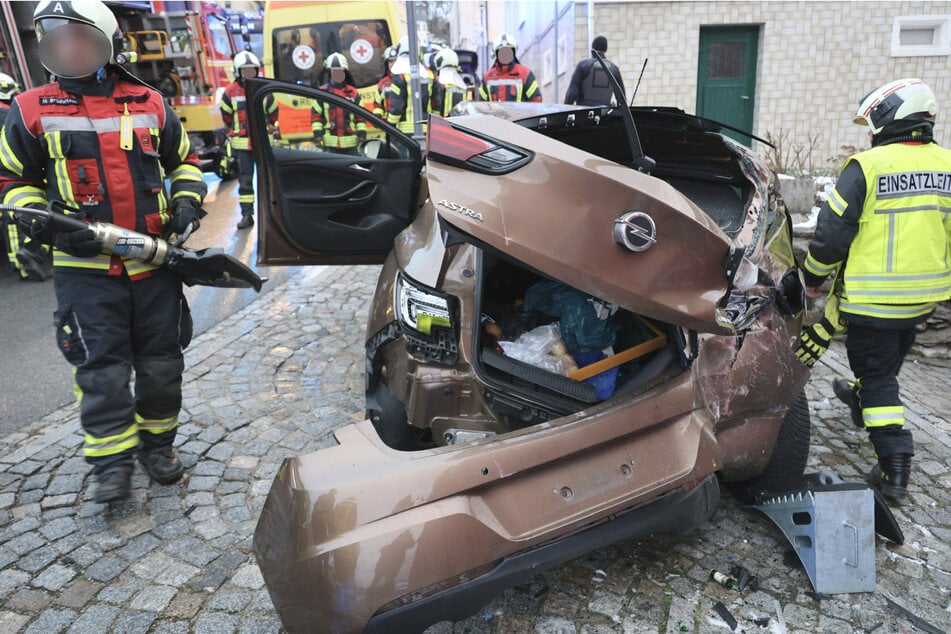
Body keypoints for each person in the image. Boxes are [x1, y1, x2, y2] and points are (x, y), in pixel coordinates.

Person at [0, 0, 208, 504]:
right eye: (59, 38)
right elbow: (12, 181)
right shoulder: (30, 110)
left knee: (161, 365)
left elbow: (186, 162)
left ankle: (158, 448)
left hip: (153, 264)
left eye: (80, 37)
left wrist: (186, 200)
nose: (69, 46)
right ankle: (111, 464)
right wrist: (34, 223)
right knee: (102, 371)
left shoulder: (150, 102)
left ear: (105, 40)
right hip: (85, 271)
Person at [796, 78, 951, 503]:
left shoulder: (867, 167)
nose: (870, 131)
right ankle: (858, 399)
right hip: (922, 299)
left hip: (873, 300)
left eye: (873, 121)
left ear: (889, 117)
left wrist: (812, 279)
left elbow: (830, 235)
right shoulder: (947, 164)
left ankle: (894, 464)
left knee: (879, 376)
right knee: (884, 364)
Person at [0, 72, 52, 281]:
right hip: (10, 171)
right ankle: (29, 256)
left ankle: (22, 260)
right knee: (24, 213)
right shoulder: (7, 113)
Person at [220, 50, 278, 230]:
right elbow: (227, 116)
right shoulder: (230, 92)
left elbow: (274, 112)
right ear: (238, 71)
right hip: (242, 145)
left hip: (262, 143)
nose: (249, 74)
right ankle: (247, 215)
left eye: (251, 70)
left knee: (268, 181)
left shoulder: (264, 88)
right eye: (245, 71)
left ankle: (271, 216)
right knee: (245, 182)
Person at [312, 53, 366, 154]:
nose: (336, 73)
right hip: (331, 145)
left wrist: (362, 134)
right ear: (329, 72)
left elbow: (360, 118)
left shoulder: (353, 93)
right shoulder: (322, 93)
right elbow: (316, 117)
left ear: (344, 71)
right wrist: (317, 135)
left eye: (339, 70)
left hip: (351, 145)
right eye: (333, 70)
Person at [387, 37, 431, 135]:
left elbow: (397, 106)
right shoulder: (424, 75)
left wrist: (390, 125)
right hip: (425, 128)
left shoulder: (400, 76)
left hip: (405, 132)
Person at [480, 33, 541, 103]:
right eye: (502, 52)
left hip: (521, 114)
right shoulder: (487, 77)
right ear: (496, 54)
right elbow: (481, 104)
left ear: (513, 52)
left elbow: (536, 100)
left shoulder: (525, 74)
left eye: (508, 51)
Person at [564, 36, 625, 106]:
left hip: (585, 113)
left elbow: (572, 94)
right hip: (605, 114)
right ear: (606, 49)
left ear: (593, 48)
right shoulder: (614, 69)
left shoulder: (584, 65)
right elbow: (621, 97)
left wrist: (565, 111)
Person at [430, 49, 467, 117]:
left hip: (441, 124)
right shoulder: (462, 85)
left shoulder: (439, 81)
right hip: (459, 124)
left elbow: (436, 105)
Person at [372, 45, 398, 118]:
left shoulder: (408, 79)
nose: (393, 64)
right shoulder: (383, 83)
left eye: (396, 60)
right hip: (390, 124)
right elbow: (378, 104)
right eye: (391, 61)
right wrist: (377, 115)